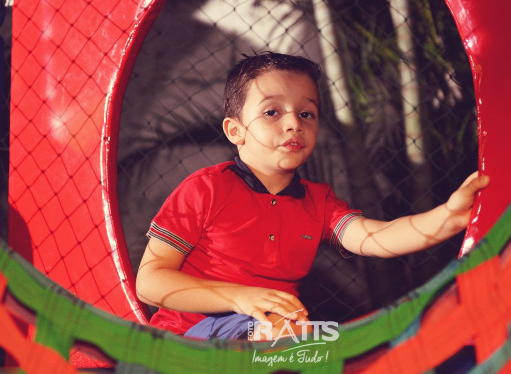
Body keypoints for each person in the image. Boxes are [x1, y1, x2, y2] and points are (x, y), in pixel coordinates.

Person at [135, 51, 489, 340]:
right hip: (189, 335)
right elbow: (150, 282)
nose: (294, 124)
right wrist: (240, 297)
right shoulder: (206, 188)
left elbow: (376, 237)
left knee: (323, 339)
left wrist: (449, 216)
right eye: (272, 112)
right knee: (289, 335)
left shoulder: (317, 203)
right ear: (235, 130)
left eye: (307, 113)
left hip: (277, 329)